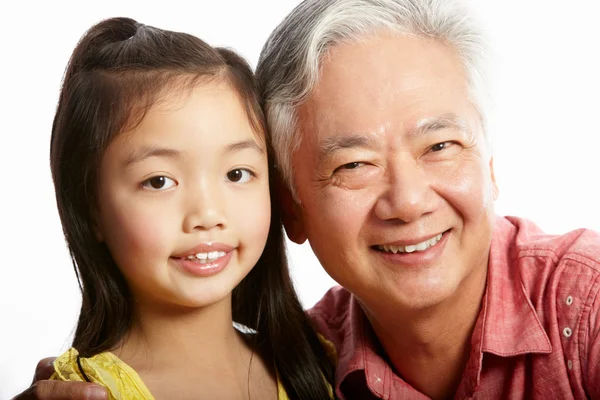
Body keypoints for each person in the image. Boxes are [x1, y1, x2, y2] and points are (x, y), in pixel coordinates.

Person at [13, 0, 600, 399]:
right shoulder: (327, 355)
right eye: (354, 164)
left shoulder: (584, 308)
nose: (409, 199)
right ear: (292, 206)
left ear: (490, 164)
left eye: (441, 145)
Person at [15, 16, 333, 400]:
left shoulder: (319, 362)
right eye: (159, 181)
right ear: (91, 209)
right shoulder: (90, 393)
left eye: (236, 173)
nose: (207, 214)